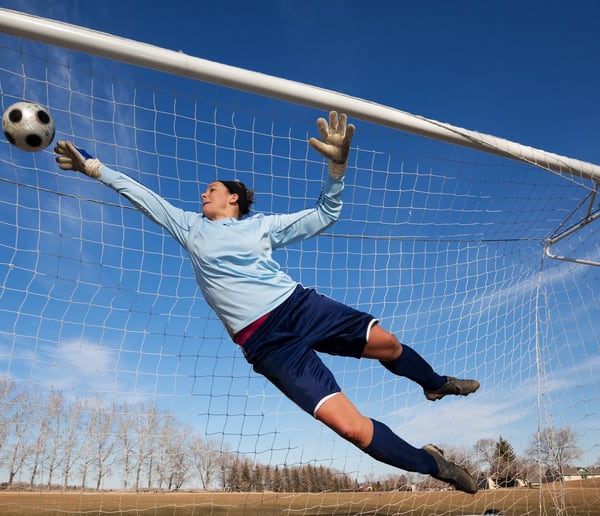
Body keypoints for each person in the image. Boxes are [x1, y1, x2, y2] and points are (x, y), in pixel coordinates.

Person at [55, 112, 480, 493]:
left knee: (386, 343)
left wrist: (336, 169)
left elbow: (324, 215)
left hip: (299, 307)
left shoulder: (261, 228)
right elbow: (142, 195)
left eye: (212, 189)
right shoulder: (189, 227)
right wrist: (93, 167)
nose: (203, 195)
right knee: (350, 428)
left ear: (233, 198)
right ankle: (434, 465)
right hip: (267, 344)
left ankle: (434, 383)